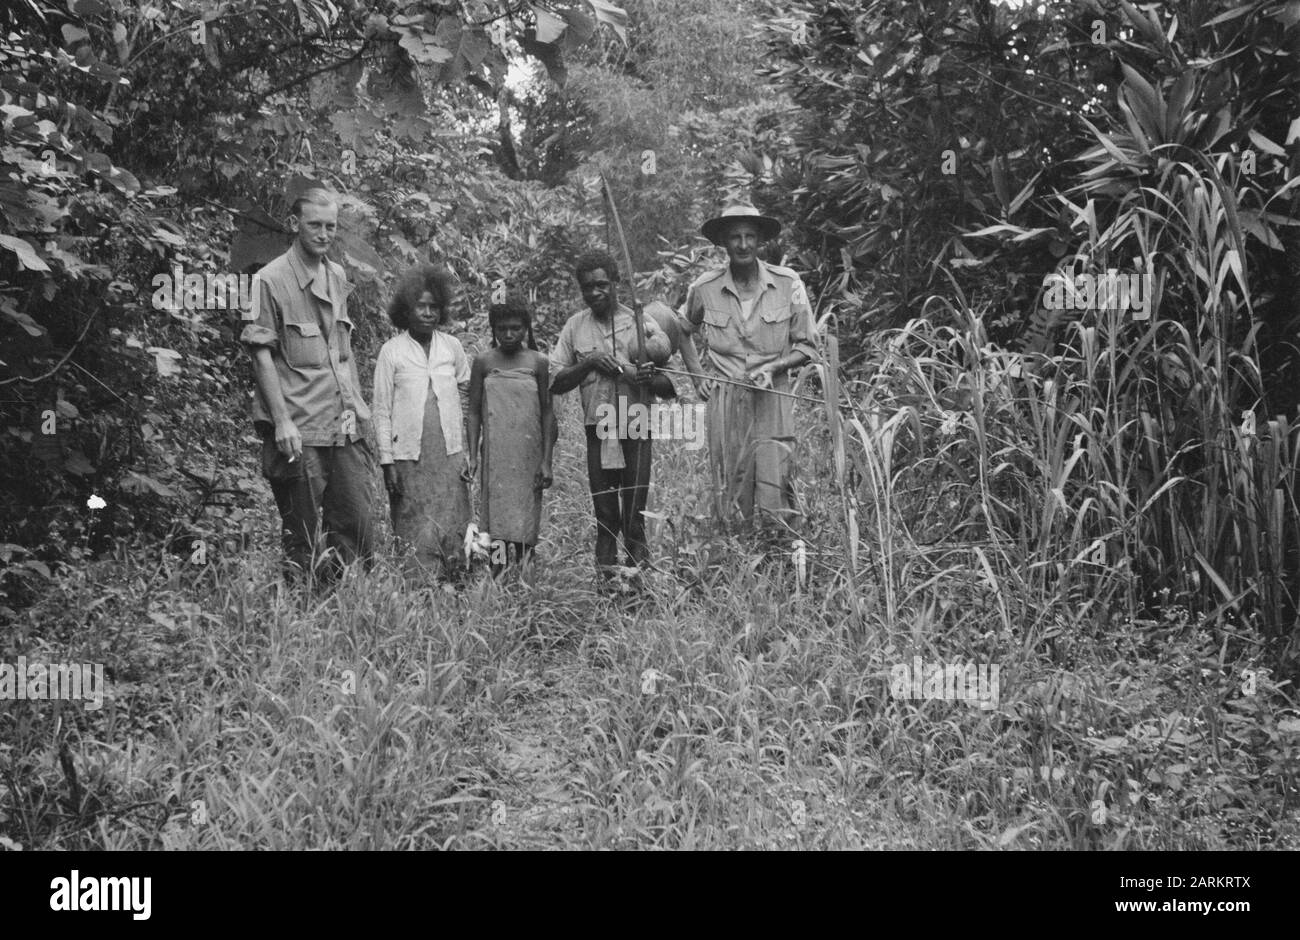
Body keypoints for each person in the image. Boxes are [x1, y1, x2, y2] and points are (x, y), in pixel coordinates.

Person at [240, 186, 374, 585]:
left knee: (356, 525)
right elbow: (260, 354)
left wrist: (357, 411)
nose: (323, 234)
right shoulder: (268, 280)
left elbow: (343, 352)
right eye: (314, 225)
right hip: (299, 426)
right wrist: (282, 423)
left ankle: (349, 615)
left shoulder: (336, 275)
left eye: (330, 226)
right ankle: (301, 620)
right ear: (295, 224)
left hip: (340, 424)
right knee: (302, 538)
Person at [677, 205, 818, 534]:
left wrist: (775, 366)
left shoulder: (788, 283)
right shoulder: (704, 287)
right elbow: (683, 330)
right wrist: (698, 376)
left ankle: (777, 560)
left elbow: (808, 346)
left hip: (773, 398)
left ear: (761, 241)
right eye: (735, 237)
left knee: (776, 487)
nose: (742, 245)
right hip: (726, 399)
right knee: (731, 489)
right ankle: (735, 560)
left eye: (750, 236)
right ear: (723, 243)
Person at [550, 250, 671, 577]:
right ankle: (606, 588)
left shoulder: (641, 323)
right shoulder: (575, 327)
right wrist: (589, 362)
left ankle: (639, 589)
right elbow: (556, 382)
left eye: (602, 285)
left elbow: (668, 386)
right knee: (605, 514)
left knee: (634, 514)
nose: (595, 293)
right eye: (587, 287)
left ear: (616, 283)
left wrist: (643, 375)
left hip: (636, 429)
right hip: (599, 431)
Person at [371, 264, 473, 580]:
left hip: (450, 454)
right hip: (409, 458)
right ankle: (418, 588)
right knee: (414, 523)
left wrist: (470, 451)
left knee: (455, 520)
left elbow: (467, 398)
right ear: (406, 310)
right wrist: (388, 463)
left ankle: (457, 580)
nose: (427, 313)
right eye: (420, 306)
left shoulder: (452, 347)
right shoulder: (392, 352)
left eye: (433, 307)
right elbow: (381, 410)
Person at [465, 297, 555, 578]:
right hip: (495, 453)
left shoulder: (538, 362)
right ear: (493, 330)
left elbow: (548, 413)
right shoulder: (483, 361)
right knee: (498, 518)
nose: (508, 334)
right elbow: (474, 413)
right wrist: (472, 455)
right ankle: (499, 574)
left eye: (515, 328)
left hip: (528, 452)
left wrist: (546, 461)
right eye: (501, 329)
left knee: (526, 518)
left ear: (526, 329)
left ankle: (526, 575)